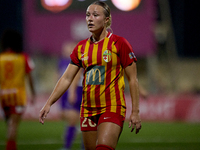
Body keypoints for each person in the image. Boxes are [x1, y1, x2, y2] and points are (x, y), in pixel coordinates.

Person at [39, 1, 141, 150]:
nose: (90, 18)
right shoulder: (81, 48)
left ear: (106, 20)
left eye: (95, 15)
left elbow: (133, 79)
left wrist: (136, 112)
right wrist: (49, 103)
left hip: (112, 107)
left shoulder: (119, 43)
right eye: (87, 15)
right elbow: (67, 78)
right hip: (87, 109)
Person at [0, 29, 36, 150]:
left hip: (4, 96)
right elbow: (30, 77)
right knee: (13, 125)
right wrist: (33, 93)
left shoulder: (1, 58)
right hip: (18, 96)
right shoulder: (23, 57)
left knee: (9, 123)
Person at [58, 41, 84, 150]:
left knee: (85, 123)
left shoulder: (81, 60)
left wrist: (71, 92)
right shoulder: (65, 61)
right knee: (71, 118)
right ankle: (67, 146)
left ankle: (81, 147)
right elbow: (72, 77)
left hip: (84, 91)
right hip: (75, 91)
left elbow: (76, 77)